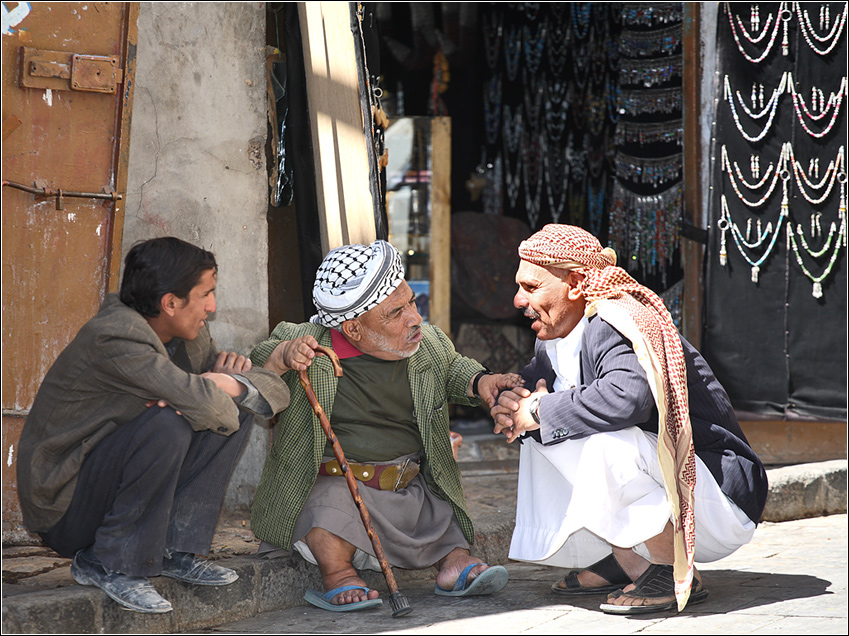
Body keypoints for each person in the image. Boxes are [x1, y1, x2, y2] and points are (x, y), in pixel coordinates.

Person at [491, 224, 768, 616]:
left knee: (594, 436)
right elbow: (539, 400)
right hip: (679, 487)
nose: (518, 300)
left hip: (717, 494)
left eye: (531, 287)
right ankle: (630, 559)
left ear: (575, 283)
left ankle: (670, 569)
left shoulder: (614, 323)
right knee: (543, 433)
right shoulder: (553, 335)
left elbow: (627, 399)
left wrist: (535, 411)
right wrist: (512, 407)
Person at [17, 237, 291, 614]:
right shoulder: (117, 337)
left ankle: (173, 550)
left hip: (104, 488)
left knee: (227, 406)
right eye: (206, 295)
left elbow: (267, 395)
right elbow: (211, 407)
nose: (211, 308)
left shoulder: (188, 337)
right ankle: (107, 561)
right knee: (169, 423)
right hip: (65, 505)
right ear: (171, 302)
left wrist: (227, 385)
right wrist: (218, 387)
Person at [249, 240, 523, 612]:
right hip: (341, 488)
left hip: (406, 485)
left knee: (440, 512)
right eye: (396, 312)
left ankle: (454, 564)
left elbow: (455, 369)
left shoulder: (425, 344)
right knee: (324, 515)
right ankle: (339, 575)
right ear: (354, 328)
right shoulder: (308, 346)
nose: (414, 318)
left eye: (411, 302)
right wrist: (284, 356)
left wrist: (482, 383)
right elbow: (262, 361)